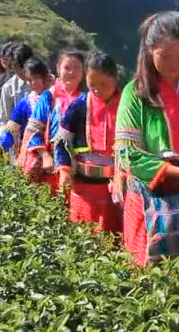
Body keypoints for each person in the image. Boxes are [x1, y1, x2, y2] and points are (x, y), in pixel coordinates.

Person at [113, 11, 179, 290]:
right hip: (152, 201)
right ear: (149, 52)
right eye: (166, 56)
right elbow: (128, 154)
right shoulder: (134, 94)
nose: (175, 65)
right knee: (151, 285)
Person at [54, 51, 122, 234]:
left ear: (115, 79)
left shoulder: (126, 106)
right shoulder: (79, 105)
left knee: (112, 238)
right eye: (92, 85)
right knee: (83, 235)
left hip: (116, 184)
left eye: (104, 84)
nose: (98, 90)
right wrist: (64, 170)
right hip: (83, 185)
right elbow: (61, 142)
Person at [20, 47, 85, 195]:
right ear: (58, 69)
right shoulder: (49, 97)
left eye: (76, 68)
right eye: (67, 67)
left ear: (83, 71)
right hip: (49, 167)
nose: (71, 72)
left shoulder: (86, 100)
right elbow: (34, 131)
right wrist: (45, 155)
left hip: (76, 171)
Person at [0, 57, 51, 159]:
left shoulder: (56, 97)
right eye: (30, 80)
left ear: (44, 77)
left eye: (37, 78)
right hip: (33, 156)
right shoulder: (25, 103)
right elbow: (11, 130)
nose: (34, 83)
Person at [0, 44, 34, 136]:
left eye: (24, 67)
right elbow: (4, 120)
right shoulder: (9, 88)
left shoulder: (47, 82)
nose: (22, 71)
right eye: (18, 68)